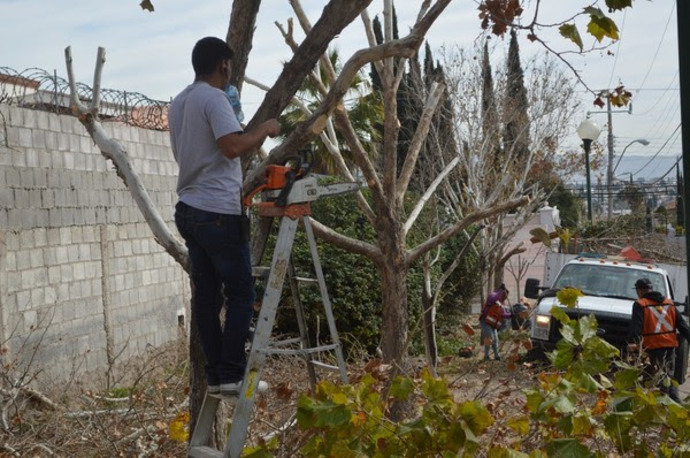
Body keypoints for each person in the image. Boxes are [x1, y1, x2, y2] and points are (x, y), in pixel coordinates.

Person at [169, 37, 280, 396]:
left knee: (206, 298)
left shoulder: (179, 102)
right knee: (241, 293)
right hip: (217, 211)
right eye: (230, 67)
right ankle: (232, 372)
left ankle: (217, 376)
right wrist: (264, 130)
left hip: (190, 209)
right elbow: (231, 147)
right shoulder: (214, 98)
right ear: (224, 65)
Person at [627, 278, 690, 403]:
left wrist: (633, 343)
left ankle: (663, 407)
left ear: (640, 291)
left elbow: (636, 326)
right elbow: (683, 326)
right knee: (667, 377)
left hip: (652, 349)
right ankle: (676, 406)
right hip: (669, 348)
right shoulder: (669, 303)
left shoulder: (640, 304)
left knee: (653, 380)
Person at [479, 284, 509, 361]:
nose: (505, 297)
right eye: (504, 295)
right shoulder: (494, 296)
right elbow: (492, 299)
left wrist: (512, 315)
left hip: (493, 324)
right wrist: (501, 291)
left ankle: (497, 356)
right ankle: (486, 356)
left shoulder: (502, 304)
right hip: (485, 321)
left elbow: (503, 314)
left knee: (495, 339)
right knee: (489, 337)